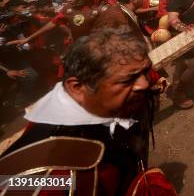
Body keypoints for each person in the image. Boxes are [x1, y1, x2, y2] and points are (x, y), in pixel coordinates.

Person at [0, 29, 173, 195]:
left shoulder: (117, 94)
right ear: (77, 88)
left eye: (142, 74)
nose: (142, 84)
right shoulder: (52, 174)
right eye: (127, 79)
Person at [7, 0, 105, 48]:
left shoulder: (99, 9)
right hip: (77, 47)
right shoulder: (68, 8)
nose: (68, 0)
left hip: (96, 48)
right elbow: (53, 22)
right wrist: (27, 39)